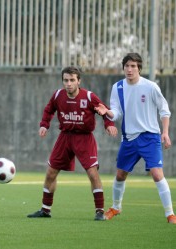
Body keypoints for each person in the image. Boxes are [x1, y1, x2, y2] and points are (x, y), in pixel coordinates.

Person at [27, 66, 117, 221]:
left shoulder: (88, 97)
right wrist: (44, 124)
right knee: (50, 173)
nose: (68, 83)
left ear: (78, 81)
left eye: (72, 80)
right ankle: (45, 210)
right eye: (65, 80)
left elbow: (104, 110)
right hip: (65, 138)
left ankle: (99, 211)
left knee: (92, 173)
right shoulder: (58, 95)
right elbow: (49, 110)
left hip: (84, 138)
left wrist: (109, 124)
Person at [95, 52, 176, 224]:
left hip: (150, 137)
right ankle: (116, 207)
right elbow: (116, 112)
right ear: (123, 68)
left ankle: (170, 214)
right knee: (120, 175)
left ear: (139, 68)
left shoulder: (151, 87)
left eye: (133, 66)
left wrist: (165, 132)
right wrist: (107, 112)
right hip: (129, 139)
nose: (129, 70)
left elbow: (164, 110)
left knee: (156, 174)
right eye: (127, 66)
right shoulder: (118, 87)